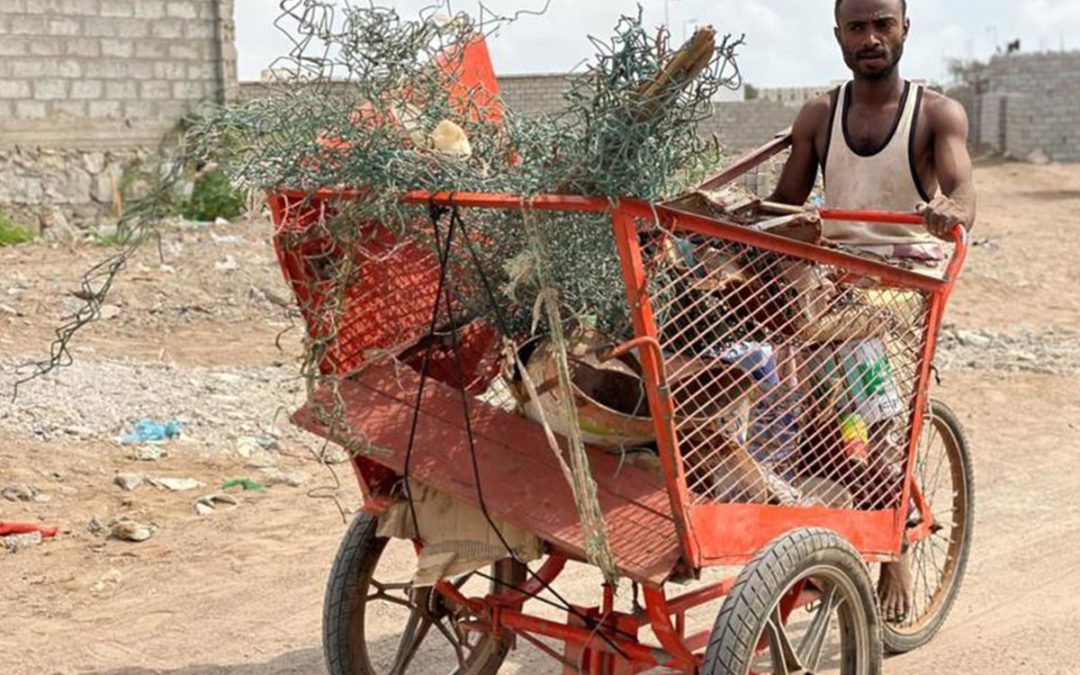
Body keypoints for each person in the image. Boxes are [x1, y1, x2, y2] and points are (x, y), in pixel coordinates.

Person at [767, 0, 976, 622]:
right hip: (837, 276)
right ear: (838, 36)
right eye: (857, 27)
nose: (871, 38)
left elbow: (962, 189)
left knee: (866, 385)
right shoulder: (818, 114)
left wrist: (953, 212)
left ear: (904, 29)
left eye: (883, 24)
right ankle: (794, 513)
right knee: (769, 358)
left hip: (901, 280)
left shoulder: (936, 113)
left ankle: (895, 548)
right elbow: (785, 201)